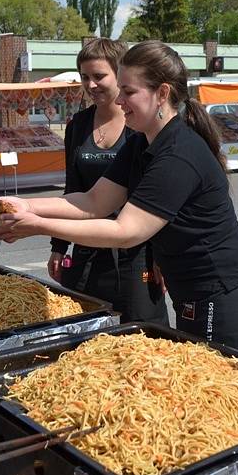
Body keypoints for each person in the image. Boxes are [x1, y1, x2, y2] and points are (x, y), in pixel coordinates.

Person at [0, 41, 238, 357]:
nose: (120, 101)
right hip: (193, 290)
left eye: (129, 92)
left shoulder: (178, 152)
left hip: (225, 291)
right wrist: (26, 205)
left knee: (227, 391)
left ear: (162, 94)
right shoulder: (140, 142)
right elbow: (94, 201)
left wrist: (37, 225)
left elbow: (126, 232)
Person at [48, 38, 167, 324]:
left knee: (142, 334)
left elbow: (161, 197)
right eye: (84, 77)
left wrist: (162, 255)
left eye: (99, 76)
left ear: (120, 74)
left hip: (137, 250)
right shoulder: (78, 125)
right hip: (88, 247)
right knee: (84, 331)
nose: (91, 85)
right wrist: (59, 246)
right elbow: (73, 188)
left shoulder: (139, 126)